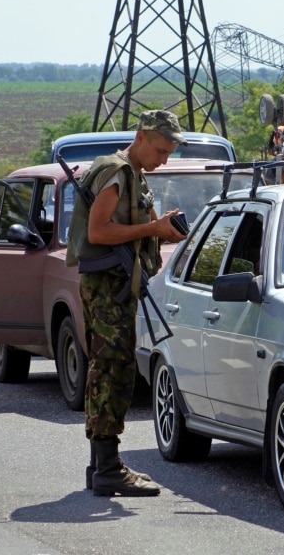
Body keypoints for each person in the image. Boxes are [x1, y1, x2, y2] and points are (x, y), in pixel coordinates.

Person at [66, 109, 188, 498]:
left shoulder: (135, 175)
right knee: (112, 371)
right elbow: (99, 231)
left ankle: (101, 466)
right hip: (106, 288)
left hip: (119, 287)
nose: (163, 158)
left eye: (168, 153)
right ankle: (107, 468)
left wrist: (161, 228)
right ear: (141, 137)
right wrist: (153, 227)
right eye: (160, 149)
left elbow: (142, 230)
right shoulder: (116, 172)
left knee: (113, 369)